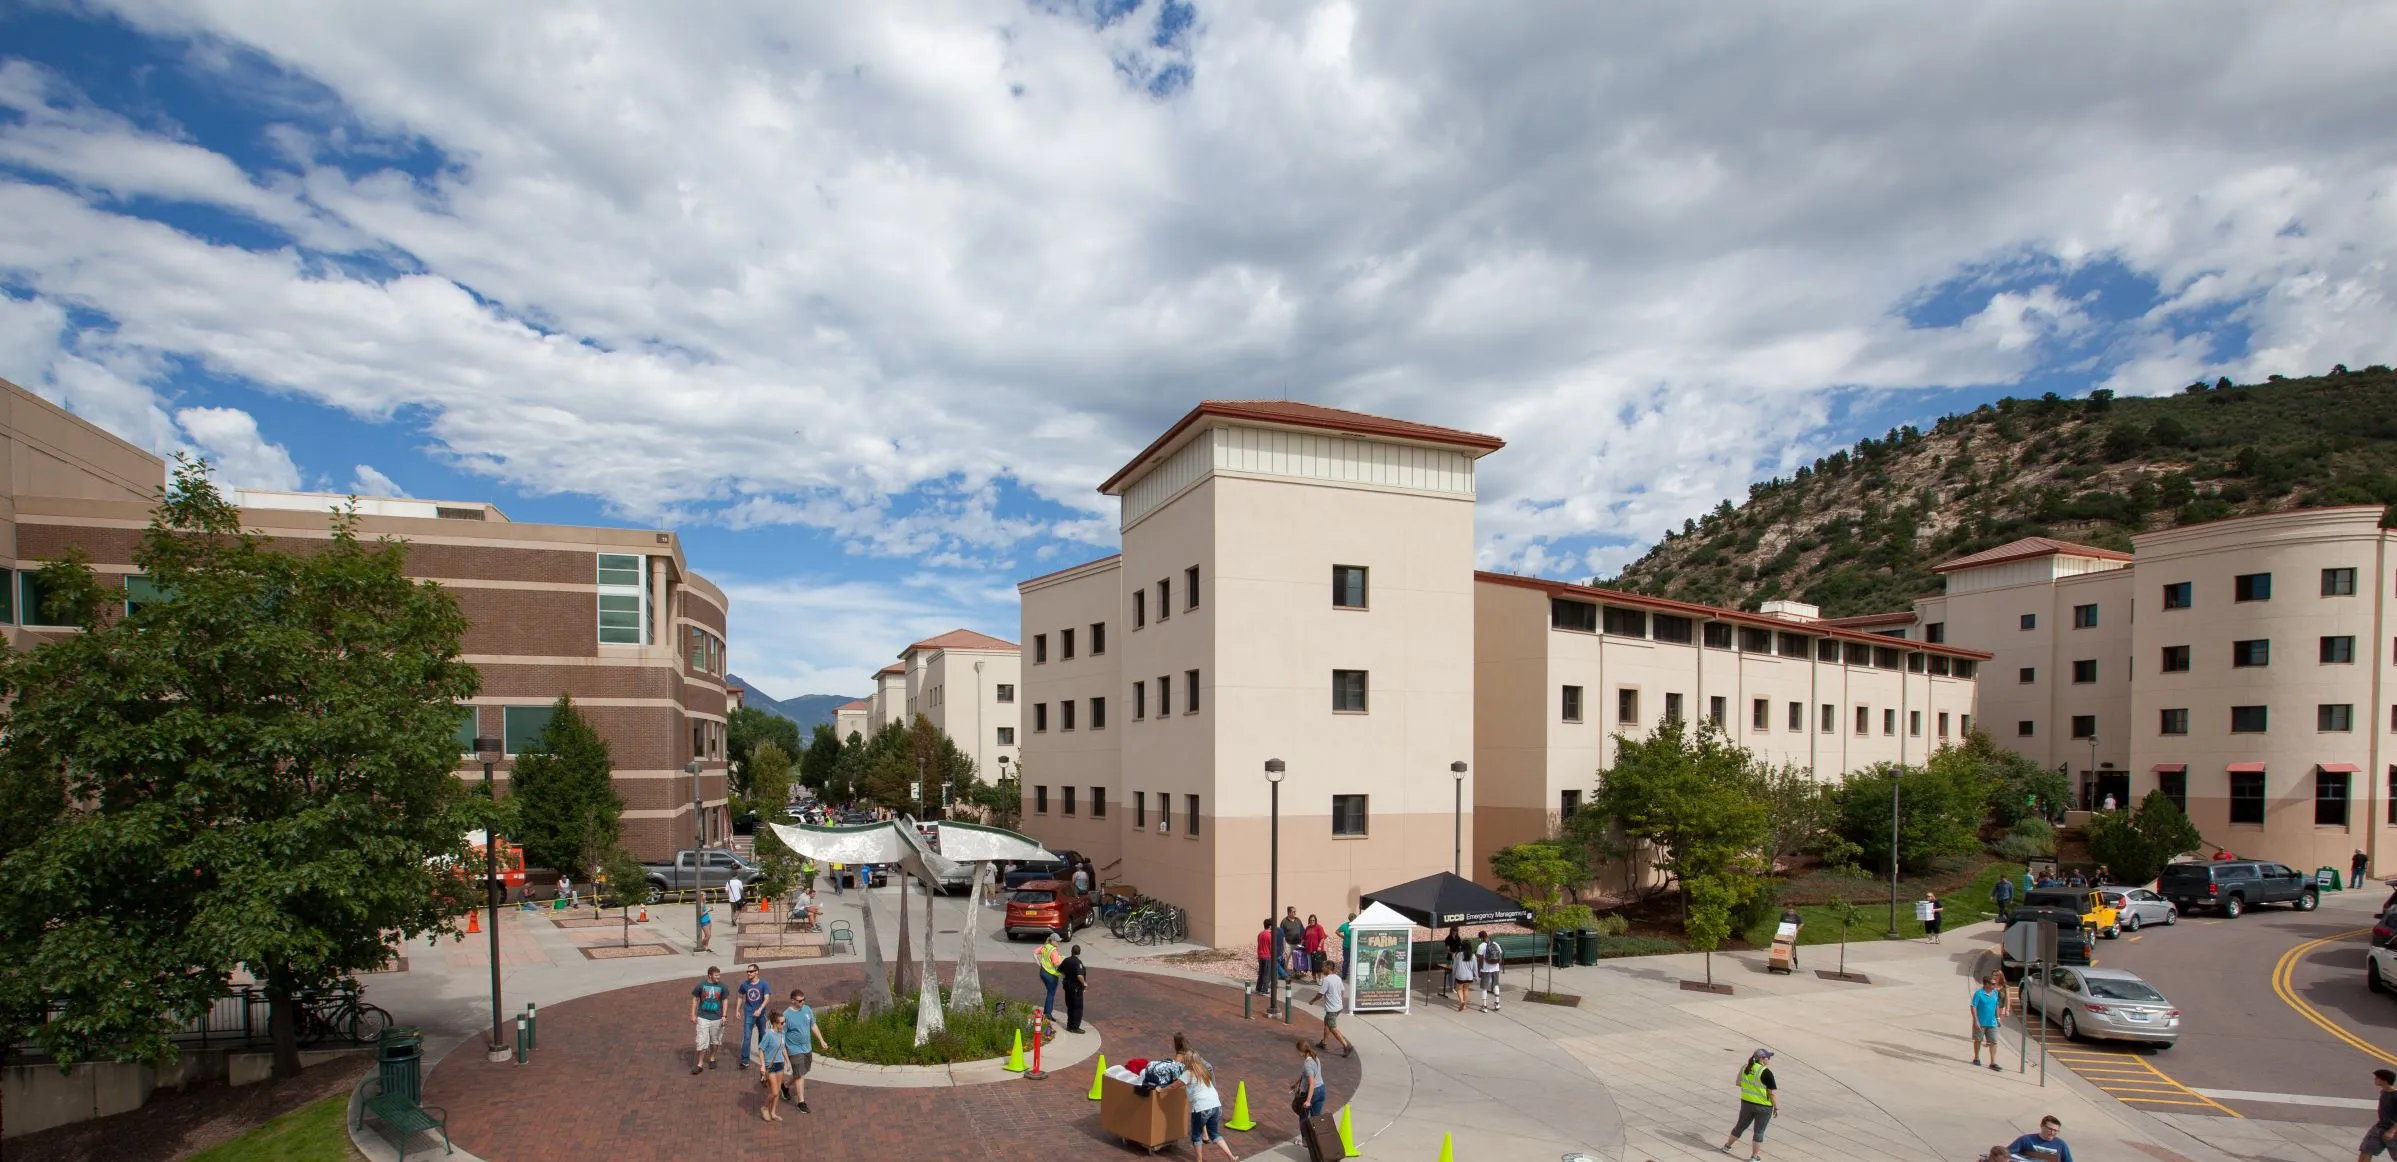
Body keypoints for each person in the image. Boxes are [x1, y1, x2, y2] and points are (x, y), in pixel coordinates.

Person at [1720, 1048, 1777, 1160]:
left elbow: (1738, 1082)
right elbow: (1772, 1093)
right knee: (1759, 1132)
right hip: (1763, 1107)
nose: (1769, 1060)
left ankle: (1727, 1146)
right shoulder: (1766, 1072)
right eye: (1768, 1057)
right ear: (1762, 1059)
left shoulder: (1745, 1067)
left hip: (1747, 1104)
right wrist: (1777, 1107)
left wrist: (1751, 1087)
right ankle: (1754, 1157)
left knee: (1740, 1126)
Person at [1181, 1049, 1235, 1162]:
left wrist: (1161, 1089)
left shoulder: (1187, 1073)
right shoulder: (1204, 1070)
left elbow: (1174, 1085)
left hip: (1201, 1107)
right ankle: (1231, 1156)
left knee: (1196, 1135)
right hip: (1216, 1105)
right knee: (1214, 1133)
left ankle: (1199, 1160)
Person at [781, 988, 829, 1112]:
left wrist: (821, 1040)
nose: (802, 1002)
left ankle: (785, 1086)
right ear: (793, 1001)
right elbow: (781, 1036)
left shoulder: (807, 1010)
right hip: (794, 1049)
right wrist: (785, 1057)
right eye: (800, 1001)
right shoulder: (786, 1016)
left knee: (801, 1072)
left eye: (804, 1000)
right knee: (800, 1075)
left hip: (807, 1048)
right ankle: (801, 1102)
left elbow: (813, 1025)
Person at [689, 965, 729, 1074]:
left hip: (717, 1018)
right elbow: (695, 999)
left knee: (715, 1040)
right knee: (701, 1040)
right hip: (703, 1017)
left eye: (719, 975)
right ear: (710, 975)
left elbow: (725, 1000)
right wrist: (693, 1014)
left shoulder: (722, 986)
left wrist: (724, 1016)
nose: (718, 977)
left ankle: (712, 1058)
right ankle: (699, 1064)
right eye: (716, 975)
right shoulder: (701, 985)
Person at [737, 963, 774, 1069]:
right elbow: (740, 996)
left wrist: (760, 1009)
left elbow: (767, 998)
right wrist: (737, 1010)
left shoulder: (764, 984)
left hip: (761, 1014)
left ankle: (762, 1054)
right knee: (747, 1036)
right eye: (748, 971)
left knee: (762, 1034)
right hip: (748, 1013)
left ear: (757, 972)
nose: (749, 973)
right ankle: (745, 1060)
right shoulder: (745, 984)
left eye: (751, 971)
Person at [1969, 973, 2007, 1070]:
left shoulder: (1995, 993)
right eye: (1992, 984)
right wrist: (1976, 1020)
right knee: (1978, 1040)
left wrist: (1998, 1018)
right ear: (1986, 984)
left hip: (1992, 1022)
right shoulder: (1979, 994)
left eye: (1995, 984)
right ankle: (1976, 1057)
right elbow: (1973, 1006)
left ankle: (1993, 1062)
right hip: (1981, 1022)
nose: (1994, 986)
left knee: (1993, 1042)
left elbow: (1996, 1006)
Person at [756, 1010, 788, 1122]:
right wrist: (762, 1066)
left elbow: (783, 1048)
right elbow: (761, 1049)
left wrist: (787, 1061)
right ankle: (764, 1108)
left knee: (778, 1091)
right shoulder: (768, 1034)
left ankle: (773, 1112)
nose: (784, 1025)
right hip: (771, 1065)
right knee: (774, 1092)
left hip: (780, 1064)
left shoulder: (782, 1033)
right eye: (782, 1023)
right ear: (775, 1023)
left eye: (784, 1022)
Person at [1318, 960, 1353, 1058]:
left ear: (1328, 968)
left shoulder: (1327, 980)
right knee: (1326, 1022)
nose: (1322, 968)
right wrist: (1339, 1000)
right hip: (1338, 1007)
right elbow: (1342, 990)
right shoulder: (1337, 978)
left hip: (1332, 1009)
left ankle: (1346, 1045)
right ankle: (1323, 1042)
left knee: (1332, 1027)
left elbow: (1321, 993)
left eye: (1323, 967)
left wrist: (1312, 1001)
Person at [2360, 1069, 2397, 1162]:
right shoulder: (2383, 1092)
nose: (2375, 1079)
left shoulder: (2395, 1095)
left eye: (2377, 1078)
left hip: (2393, 1130)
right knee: (2366, 1150)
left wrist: (2392, 1131)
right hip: (2379, 1127)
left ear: (2384, 1081)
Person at [2006, 1115, 2074, 1162]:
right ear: (2042, 1126)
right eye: (2050, 1129)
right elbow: (2005, 1155)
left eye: (2055, 1130)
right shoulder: (2026, 1140)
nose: (2052, 1132)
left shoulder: (2061, 1144)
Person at [1037, 931, 1066, 1026]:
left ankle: (1046, 1012)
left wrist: (1038, 962)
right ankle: (1048, 1014)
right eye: (1057, 941)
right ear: (1052, 941)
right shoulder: (1053, 950)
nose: (1059, 943)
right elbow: (1056, 964)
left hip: (1043, 972)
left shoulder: (1045, 946)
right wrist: (1062, 961)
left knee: (1049, 993)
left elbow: (1035, 952)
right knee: (1051, 994)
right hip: (1051, 975)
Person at [1292, 1038, 1326, 1118]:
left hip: (1314, 1092)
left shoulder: (1307, 1064)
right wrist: (1296, 1084)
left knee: (1303, 1118)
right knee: (1316, 1120)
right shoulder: (1315, 1058)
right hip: (1321, 1090)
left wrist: (1308, 1101)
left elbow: (1312, 1083)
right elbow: (1308, 1075)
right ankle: (1316, 1131)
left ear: (1300, 1051)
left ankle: (1305, 1131)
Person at [1061, 942, 1090, 1034]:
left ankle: (1069, 1025)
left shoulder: (1066, 960)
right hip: (1076, 988)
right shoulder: (1078, 963)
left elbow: (1060, 970)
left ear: (1071, 951)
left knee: (1070, 1006)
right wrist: (1084, 983)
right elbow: (1079, 976)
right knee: (1077, 1007)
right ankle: (1075, 1027)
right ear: (1079, 952)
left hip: (1067, 987)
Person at [1475, 929, 1505, 1012]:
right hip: (1496, 968)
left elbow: (1480, 959)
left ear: (1481, 938)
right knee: (1496, 984)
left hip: (1485, 969)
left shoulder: (1481, 946)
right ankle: (1497, 1003)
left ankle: (1484, 1006)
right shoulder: (1495, 943)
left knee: (1484, 987)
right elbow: (1500, 954)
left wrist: (1479, 970)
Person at [1254, 918, 1278, 1019]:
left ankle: (1258, 987)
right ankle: (1264, 989)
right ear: (1270, 926)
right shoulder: (1270, 935)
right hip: (1268, 956)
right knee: (1266, 973)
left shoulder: (1260, 934)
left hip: (1260, 955)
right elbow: (1272, 947)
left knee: (1261, 972)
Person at [1450, 933, 1478, 1012]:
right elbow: (1475, 967)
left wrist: (1453, 972)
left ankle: (1462, 1002)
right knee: (1466, 989)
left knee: (1459, 989)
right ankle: (1465, 1005)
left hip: (1460, 975)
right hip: (1469, 976)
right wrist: (1476, 976)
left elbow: (1455, 965)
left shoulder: (1459, 955)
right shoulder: (1473, 956)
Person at [1303, 914, 1328, 981]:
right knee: (1312, 965)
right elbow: (1304, 938)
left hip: (1317, 950)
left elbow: (1322, 938)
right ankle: (1314, 979)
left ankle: (1320, 979)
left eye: (1313, 920)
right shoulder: (1307, 928)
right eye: (1310, 920)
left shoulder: (1319, 927)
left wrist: (1319, 946)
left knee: (1318, 965)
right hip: (1309, 949)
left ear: (1315, 920)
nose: (1312, 921)